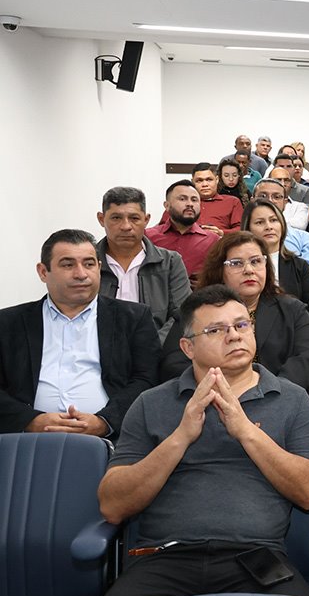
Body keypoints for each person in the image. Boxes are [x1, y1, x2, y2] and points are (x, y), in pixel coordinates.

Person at [92, 284, 309, 596]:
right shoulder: (151, 403)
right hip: (164, 559)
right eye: (216, 330)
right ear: (188, 347)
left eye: (242, 325)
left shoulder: (291, 399)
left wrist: (246, 431)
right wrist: (181, 436)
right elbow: (113, 505)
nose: (234, 336)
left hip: (256, 557)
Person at [0, 229, 159, 436]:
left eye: (89, 264)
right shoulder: (9, 323)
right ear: (43, 272)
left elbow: (146, 380)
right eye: (68, 265)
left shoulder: (134, 318)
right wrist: (30, 420)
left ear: (99, 268)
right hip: (26, 440)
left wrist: (105, 422)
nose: (81, 274)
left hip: (111, 440)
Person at [159, 232, 309, 393]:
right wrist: (225, 391)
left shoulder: (292, 309)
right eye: (236, 263)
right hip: (211, 401)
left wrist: (271, 391)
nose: (249, 270)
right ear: (219, 270)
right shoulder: (196, 311)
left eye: (256, 261)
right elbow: (173, 364)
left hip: (280, 398)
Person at [96, 186, 191, 343]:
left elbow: (182, 314)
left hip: (156, 351)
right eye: (116, 218)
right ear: (101, 219)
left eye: (134, 218)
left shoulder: (170, 262)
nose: (126, 226)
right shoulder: (87, 264)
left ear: (146, 220)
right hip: (97, 351)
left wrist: (150, 346)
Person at [242, 199, 309, 326]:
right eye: (260, 222)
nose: (268, 227)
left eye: (273, 220)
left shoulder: (300, 266)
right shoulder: (239, 267)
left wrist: (301, 328)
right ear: (248, 229)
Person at [146, 178, 218, 285]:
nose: (190, 204)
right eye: (182, 199)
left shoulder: (212, 240)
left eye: (194, 200)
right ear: (167, 206)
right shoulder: (148, 237)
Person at [252, 178, 309, 284]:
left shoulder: (303, 238)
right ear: (252, 200)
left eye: (276, 197)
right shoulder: (240, 240)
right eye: (263, 196)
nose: (270, 200)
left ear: (285, 203)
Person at [192, 162, 242, 236]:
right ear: (192, 182)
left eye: (209, 180)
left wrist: (222, 233)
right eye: (199, 181)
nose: (205, 184)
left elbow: (241, 229)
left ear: (217, 179)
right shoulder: (187, 204)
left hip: (223, 241)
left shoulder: (232, 202)